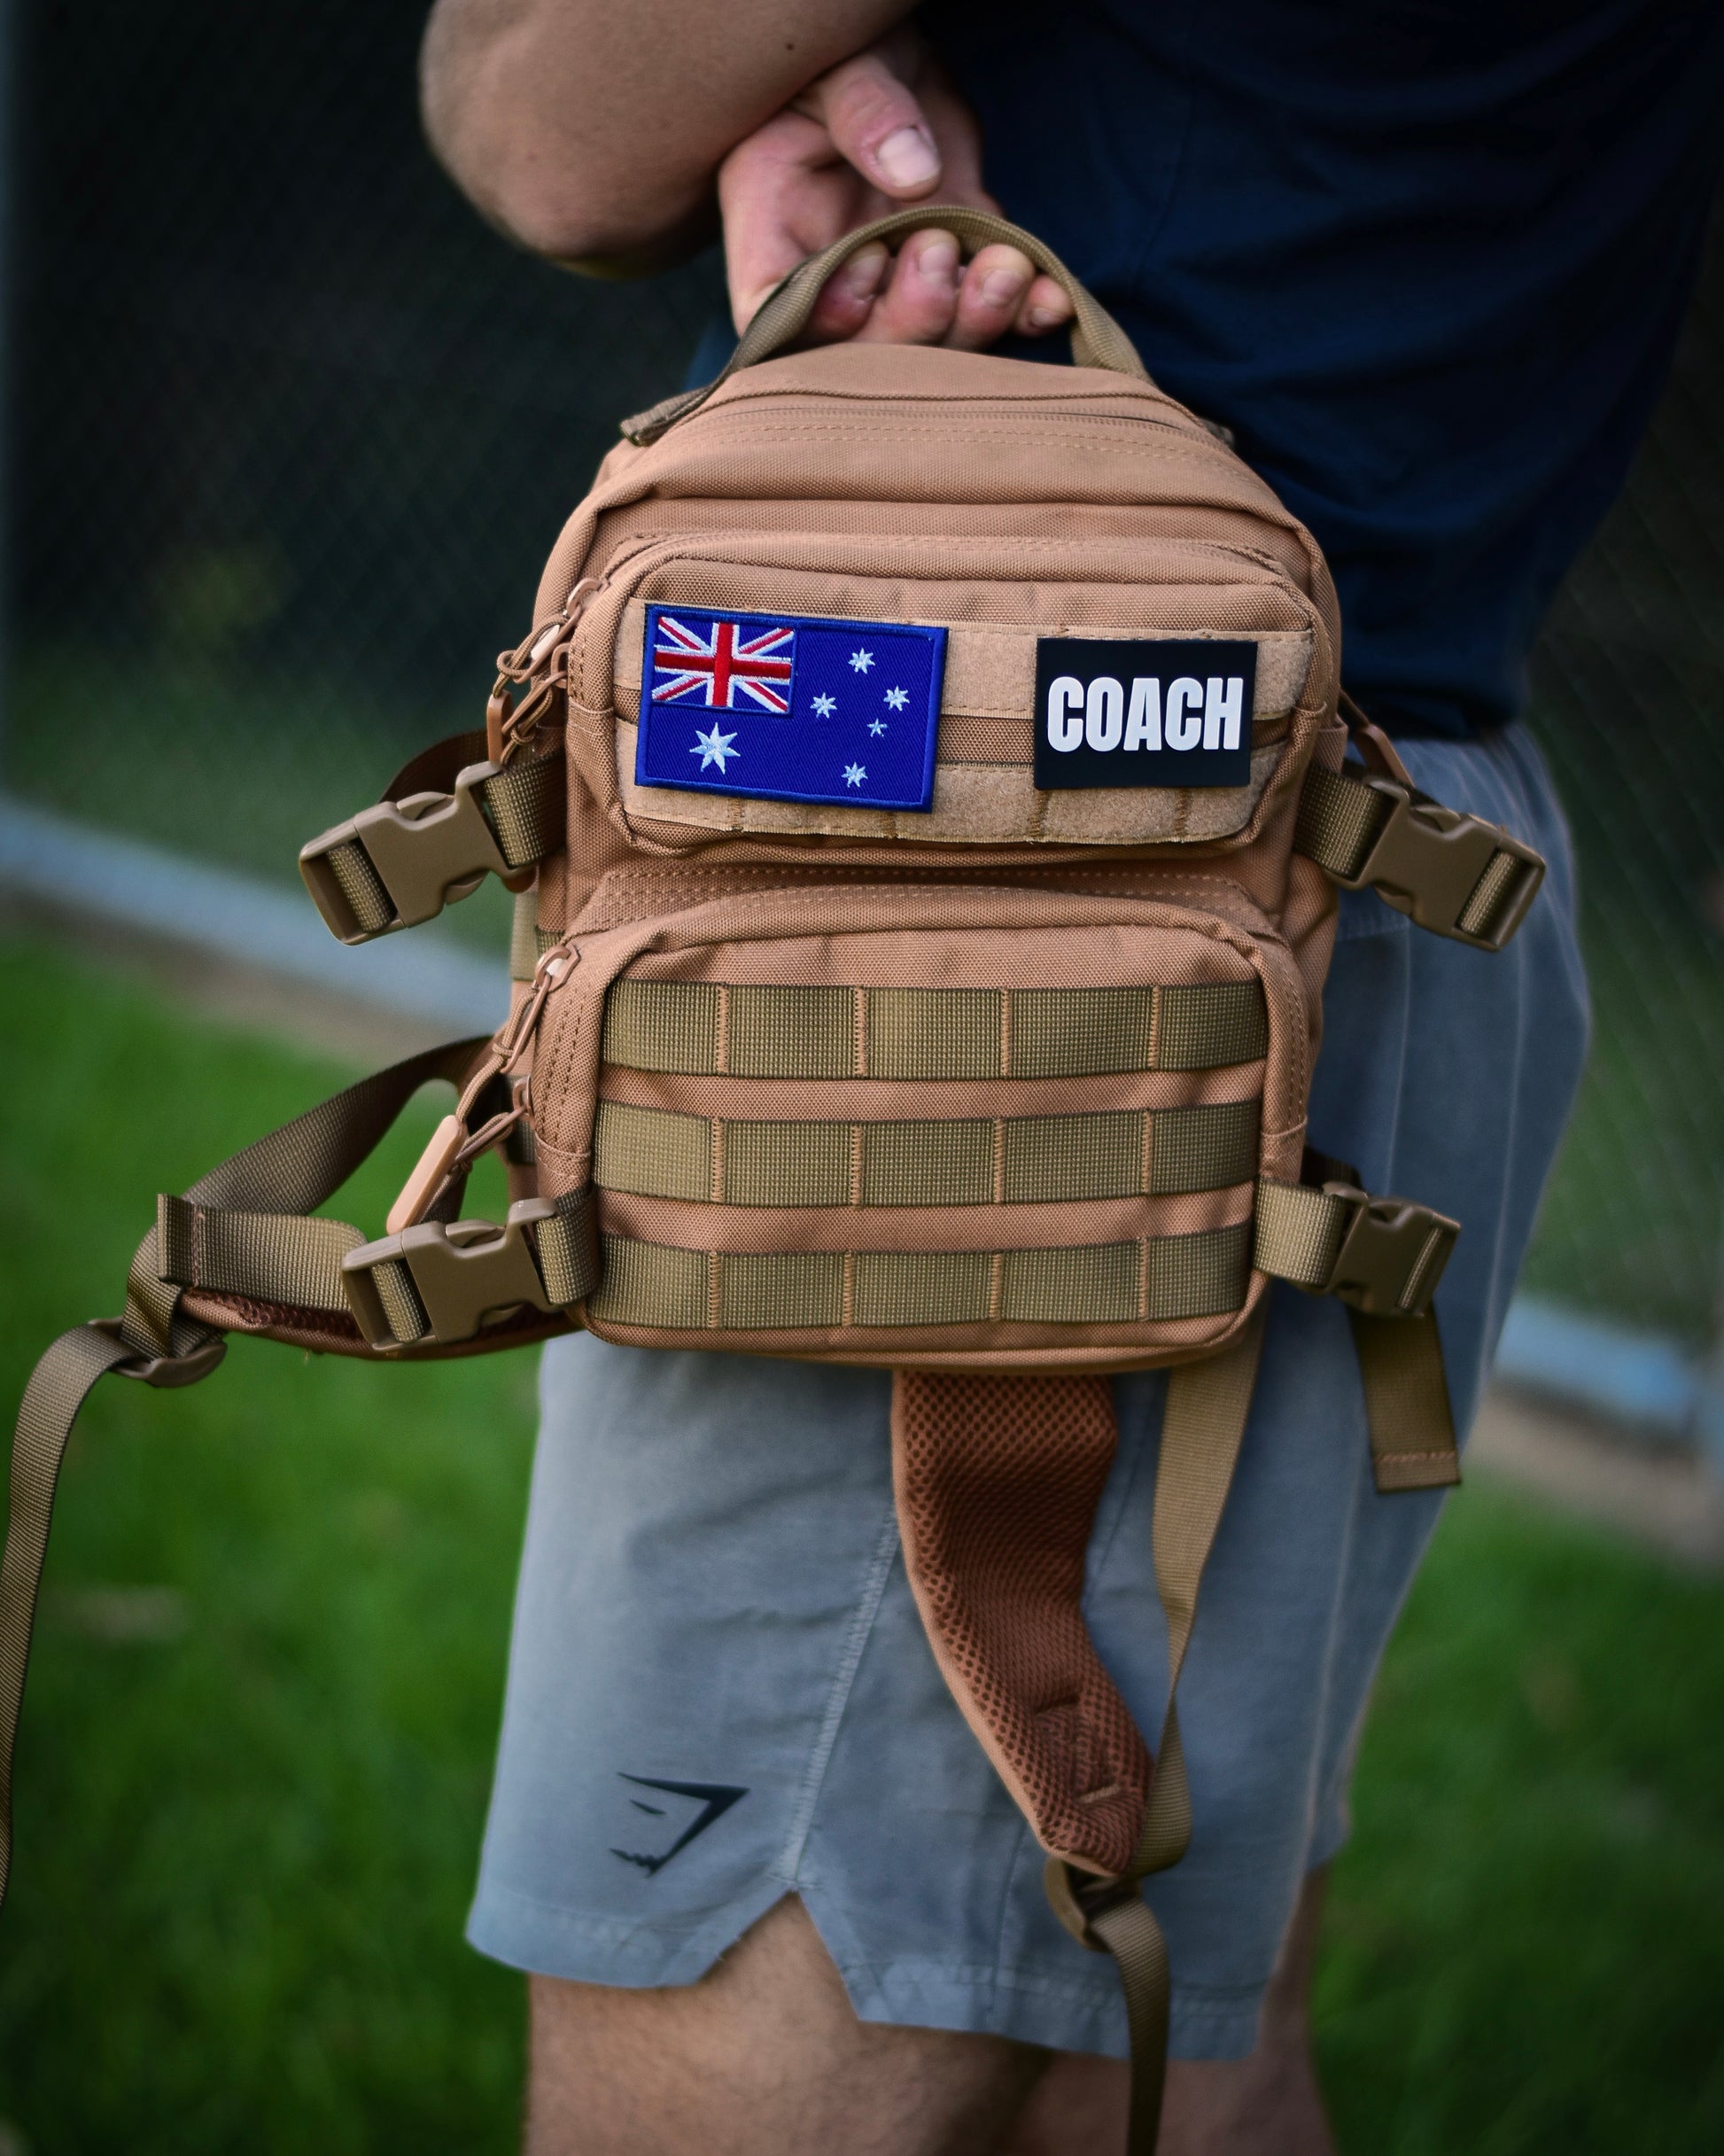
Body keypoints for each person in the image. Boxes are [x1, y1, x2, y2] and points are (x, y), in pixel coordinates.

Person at [418, 5, 1722, 2150]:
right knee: (1160, 2066)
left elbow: (541, 113)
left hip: (1013, 934)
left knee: (772, 2064)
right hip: (1361, 830)